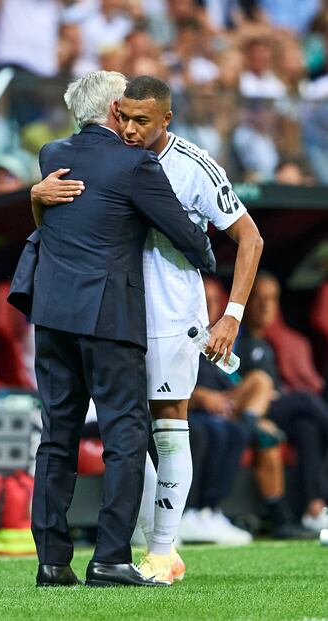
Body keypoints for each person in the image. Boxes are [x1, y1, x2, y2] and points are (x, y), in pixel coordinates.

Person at [31, 74, 263, 582]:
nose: (132, 129)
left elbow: (250, 238)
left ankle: (160, 553)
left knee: (164, 424)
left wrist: (233, 314)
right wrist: (34, 196)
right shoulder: (106, 157)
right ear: (114, 112)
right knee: (124, 432)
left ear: (166, 119)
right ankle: (144, 546)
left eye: (142, 121)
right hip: (113, 313)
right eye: (126, 118)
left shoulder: (195, 165)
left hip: (169, 315)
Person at [181, 277, 313, 542]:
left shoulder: (219, 340)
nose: (208, 306)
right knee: (219, 428)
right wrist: (201, 396)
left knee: (246, 419)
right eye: (204, 300)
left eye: (214, 301)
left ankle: (210, 511)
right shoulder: (181, 335)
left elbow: (234, 381)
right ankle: (192, 512)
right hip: (190, 407)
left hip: (225, 406)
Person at [237, 272, 328, 531]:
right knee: (305, 401)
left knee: (308, 427)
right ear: (246, 301)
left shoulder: (266, 344)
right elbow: (231, 386)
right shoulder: (237, 341)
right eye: (259, 298)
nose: (266, 305)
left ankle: (314, 506)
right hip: (251, 413)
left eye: (272, 299)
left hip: (274, 410)